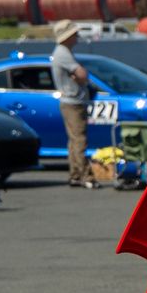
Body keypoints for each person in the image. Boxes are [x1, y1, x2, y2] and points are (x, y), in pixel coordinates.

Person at [50, 22, 96, 188]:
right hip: (73, 102)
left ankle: (75, 174)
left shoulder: (62, 53)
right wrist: (81, 78)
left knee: (73, 140)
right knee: (80, 140)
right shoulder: (63, 53)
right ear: (67, 36)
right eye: (74, 34)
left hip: (69, 102)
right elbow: (82, 74)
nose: (77, 37)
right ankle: (86, 176)